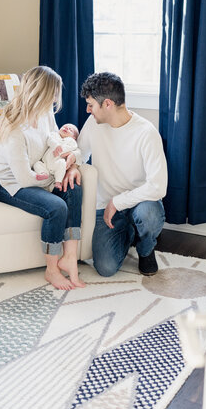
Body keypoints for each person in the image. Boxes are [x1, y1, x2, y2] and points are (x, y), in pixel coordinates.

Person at [0, 66, 85, 290]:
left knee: (74, 186)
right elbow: (24, 179)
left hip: (40, 174)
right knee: (57, 207)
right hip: (8, 184)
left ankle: (69, 258)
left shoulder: (45, 114)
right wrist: (53, 179)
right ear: (40, 93)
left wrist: (70, 165)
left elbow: (56, 144)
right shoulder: (14, 128)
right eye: (52, 94)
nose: (54, 100)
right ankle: (51, 270)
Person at [65, 71, 167, 277]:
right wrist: (73, 164)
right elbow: (80, 153)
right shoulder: (93, 124)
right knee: (105, 268)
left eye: (91, 105)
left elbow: (158, 186)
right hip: (105, 206)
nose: (88, 110)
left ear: (108, 104)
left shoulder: (146, 133)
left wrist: (117, 203)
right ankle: (130, 233)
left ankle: (145, 249)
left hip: (139, 203)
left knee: (149, 215)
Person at [33, 123, 80, 191]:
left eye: (70, 130)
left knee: (62, 163)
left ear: (74, 137)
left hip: (56, 163)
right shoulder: (54, 135)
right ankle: (43, 173)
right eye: (64, 127)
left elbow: (71, 147)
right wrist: (56, 146)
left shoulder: (71, 141)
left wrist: (60, 150)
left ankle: (58, 182)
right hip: (45, 162)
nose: (66, 128)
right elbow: (50, 140)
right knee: (37, 164)